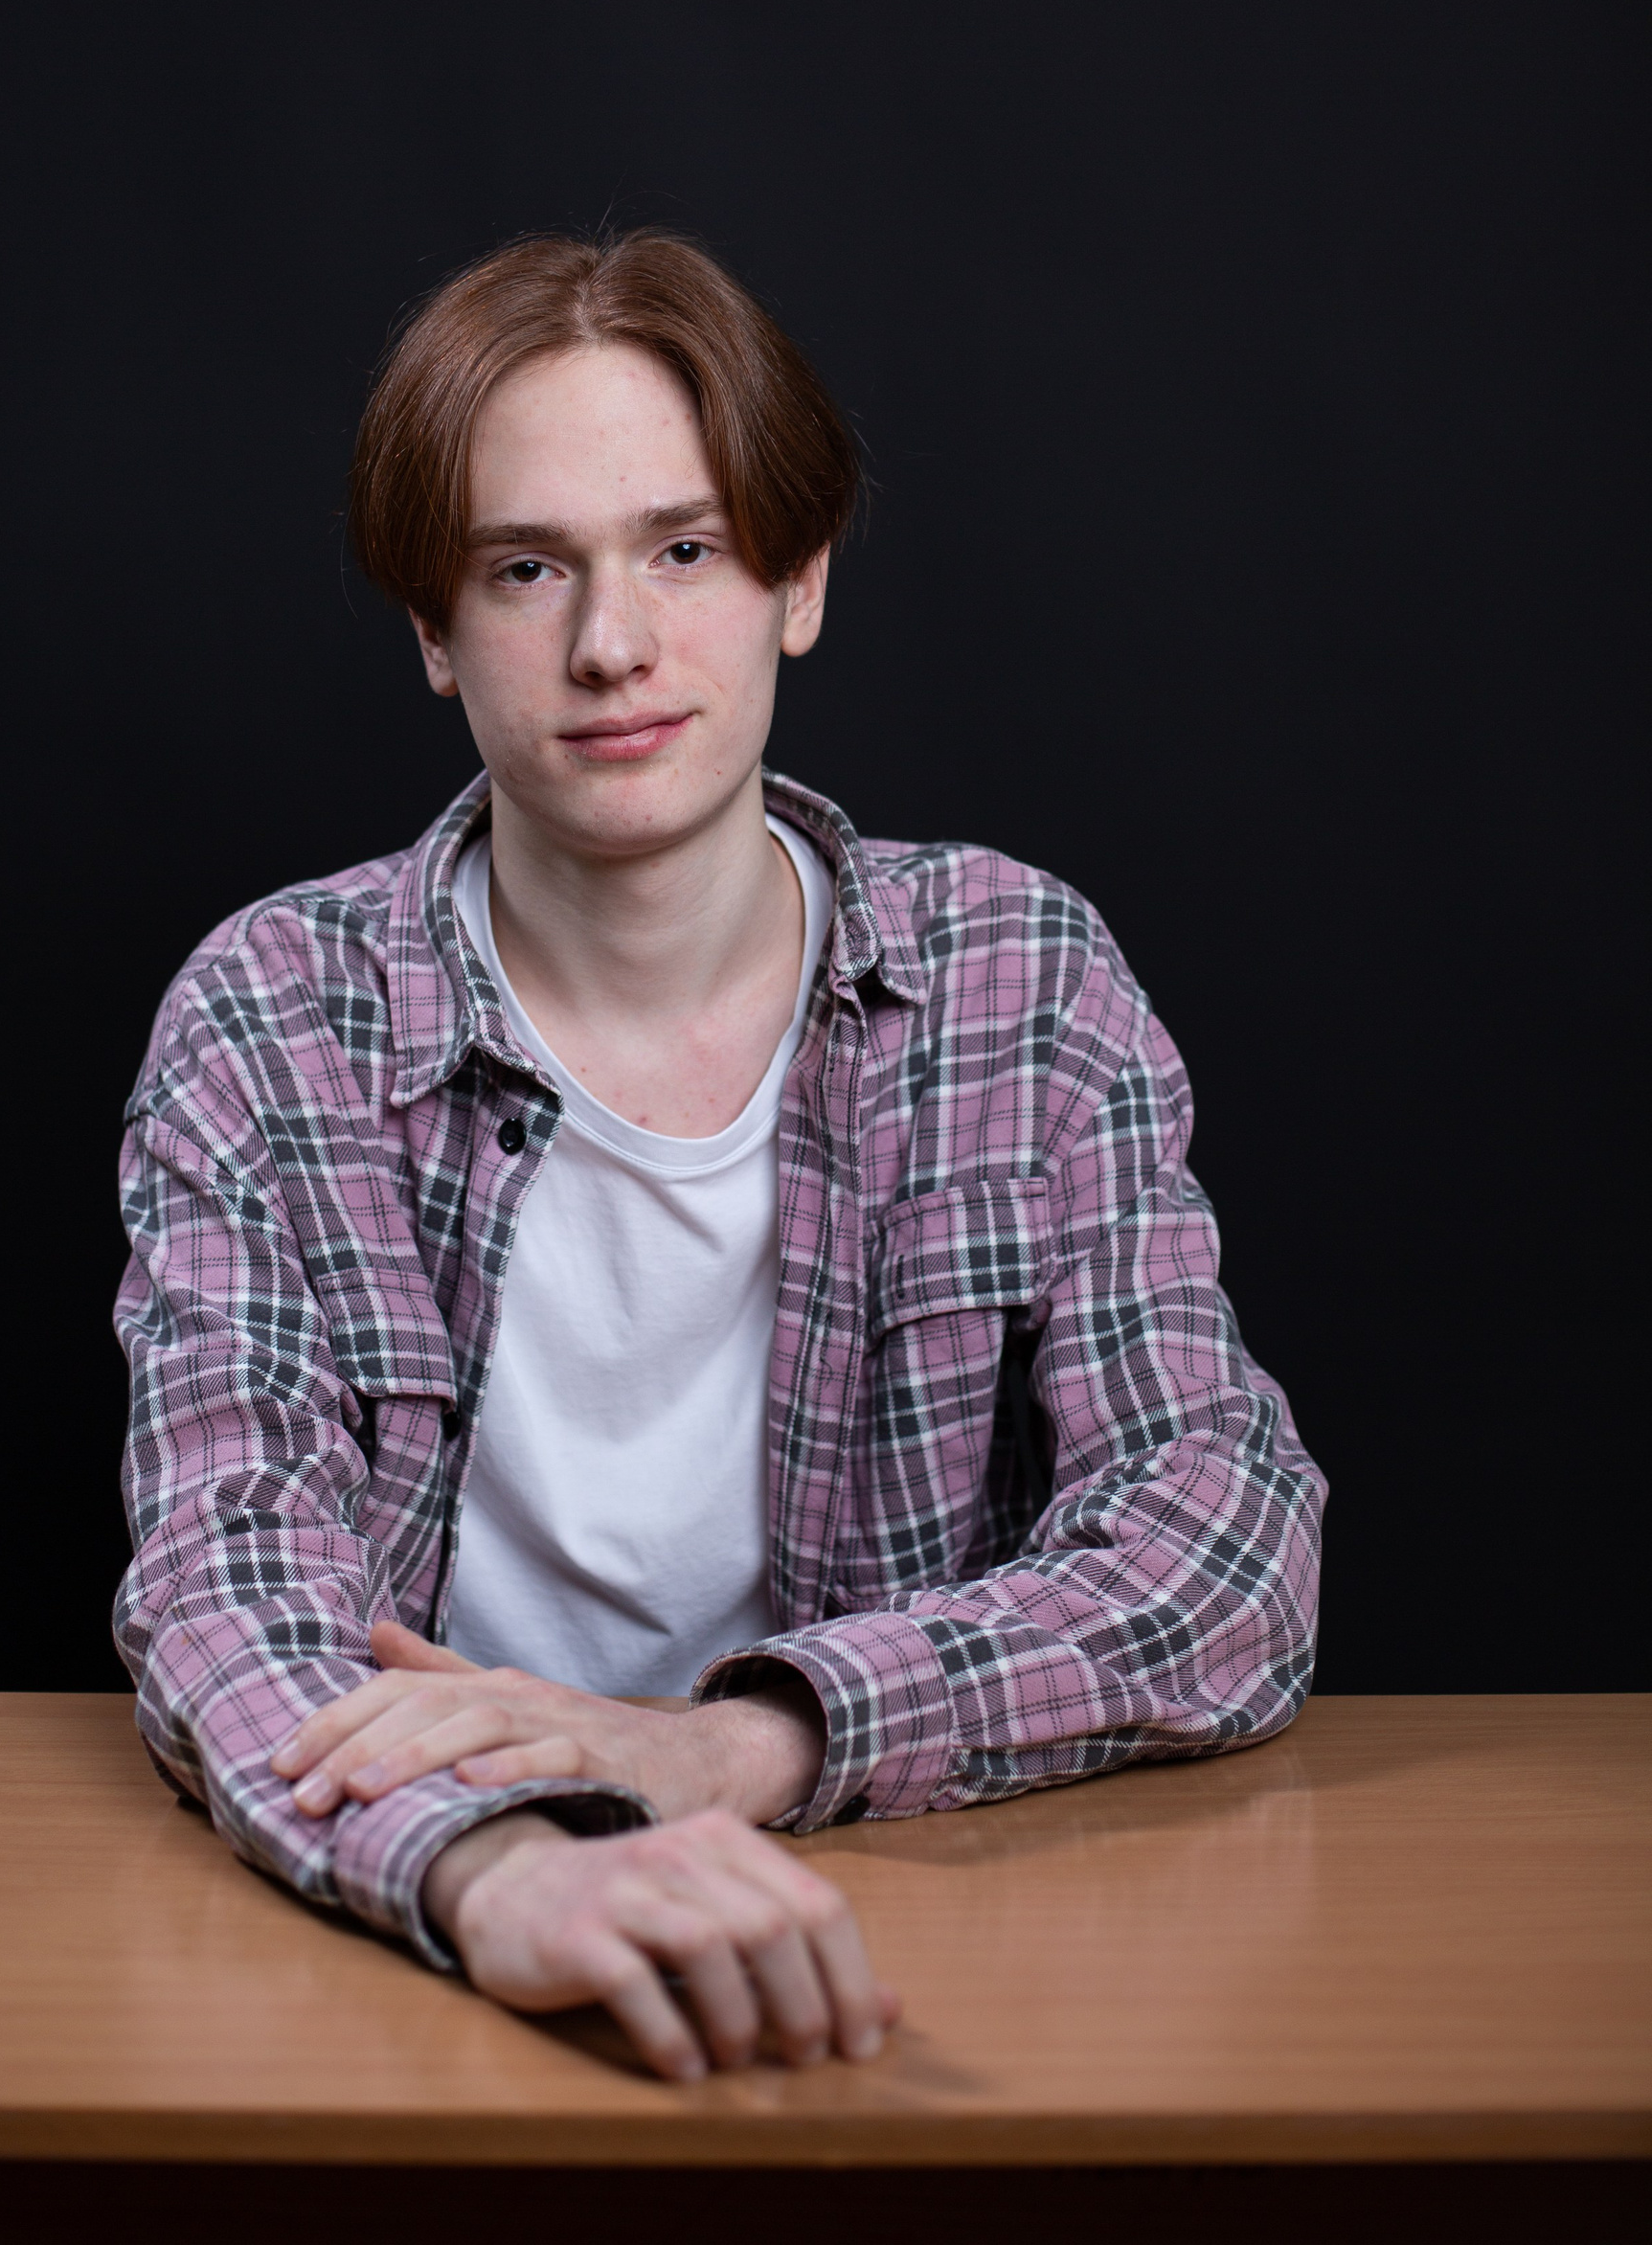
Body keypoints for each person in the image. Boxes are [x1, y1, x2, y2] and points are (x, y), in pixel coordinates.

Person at [114, 230, 1324, 2084]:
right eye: (526, 569)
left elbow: (1225, 1543)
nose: (612, 646)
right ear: (434, 632)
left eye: (684, 550)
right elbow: (224, 1585)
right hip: (428, 1957)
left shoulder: (1019, 978)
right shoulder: (272, 1016)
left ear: (799, 579)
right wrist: (501, 1871)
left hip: (905, 1910)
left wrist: (732, 1745)